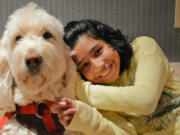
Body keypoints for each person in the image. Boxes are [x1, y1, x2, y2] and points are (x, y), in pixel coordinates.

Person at [51, 19, 180, 135]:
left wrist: (82, 90)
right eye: (85, 66)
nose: (98, 65)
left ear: (110, 43)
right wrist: (86, 118)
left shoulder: (144, 47)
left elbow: (146, 101)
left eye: (98, 52)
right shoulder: (99, 97)